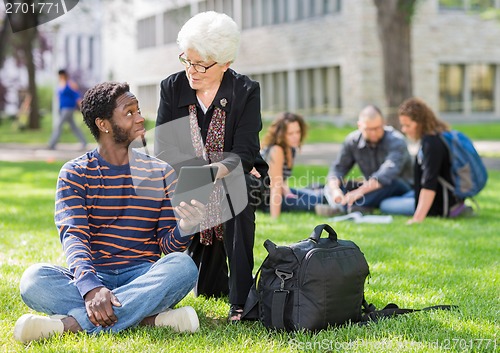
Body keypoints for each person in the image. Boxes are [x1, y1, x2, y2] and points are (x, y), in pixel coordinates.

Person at [14, 82, 206, 344]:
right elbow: (75, 236)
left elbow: (167, 246)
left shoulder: (161, 173)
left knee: (183, 266)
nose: (140, 118)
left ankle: (70, 325)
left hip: (143, 274)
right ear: (103, 124)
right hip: (94, 273)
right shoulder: (75, 173)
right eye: (129, 113)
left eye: (138, 110)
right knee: (33, 280)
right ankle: (150, 317)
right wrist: (92, 288)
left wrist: (186, 227)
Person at [154, 11, 268, 322]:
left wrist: (212, 170)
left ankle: (242, 299)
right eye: (187, 60)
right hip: (188, 181)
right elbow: (165, 150)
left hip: (233, 180)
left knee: (237, 187)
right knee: (205, 288)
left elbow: (245, 152)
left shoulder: (245, 91)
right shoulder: (172, 87)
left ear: (226, 63)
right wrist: (202, 173)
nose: (192, 70)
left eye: (201, 64)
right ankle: (153, 287)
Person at [380, 97, 471, 223]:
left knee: (385, 204)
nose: (404, 130)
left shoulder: (431, 143)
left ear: (420, 123)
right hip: (446, 197)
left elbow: (429, 182)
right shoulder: (437, 135)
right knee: (395, 195)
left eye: (407, 125)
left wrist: (417, 218)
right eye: (403, 125)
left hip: (439, 204)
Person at [319, 105, 413, 215]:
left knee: (389, 182)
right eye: (369, 129)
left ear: (384, 123)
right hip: (371, 187)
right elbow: (338, 168)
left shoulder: (397, 141)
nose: (373, 133)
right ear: (359, 126)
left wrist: (359, 192)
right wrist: (335, 190)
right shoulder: (352, 141)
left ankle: (345, 207)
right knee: (339, 185)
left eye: (377, 128)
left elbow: (386, 174)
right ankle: (345, 203)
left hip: (400, 187)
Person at [261, 112, 325, 218]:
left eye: (298, 132)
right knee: (315, 201)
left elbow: (281, 179)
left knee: (320, 197)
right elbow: (275, 186)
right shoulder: (277, 150)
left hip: (281, 192)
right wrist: (275, 218)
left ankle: (318, 193)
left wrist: (288, 192)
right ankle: (322, 206)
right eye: (290, 134)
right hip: (266, 199)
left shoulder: (290, 148)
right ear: (281, 134)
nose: (295, 137)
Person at [48, 69, 88, 150]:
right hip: (62, 108)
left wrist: (82, 106)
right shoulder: (60, 84)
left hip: (68, 108)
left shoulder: (70, 84)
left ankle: (51, 144)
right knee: (73, 126)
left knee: (59, 125)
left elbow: (76, 95)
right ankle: (84, 142)